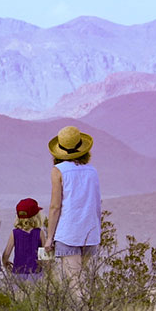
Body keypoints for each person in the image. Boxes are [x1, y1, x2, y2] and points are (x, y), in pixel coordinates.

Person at [45, 126, 101, 298]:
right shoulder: (92, 171)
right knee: (84, 281)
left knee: (73, 283)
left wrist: (49, 237)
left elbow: (55, 207)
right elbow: (97, 203)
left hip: (68, 232)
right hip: (90, 232)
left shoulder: (59, 171)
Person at [2, 198, 46, 281]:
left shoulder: (14, 233)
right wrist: (48, 268)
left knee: (18, 293)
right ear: (36, 216)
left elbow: (6, 253)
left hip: (18, 272)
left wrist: (5, 263)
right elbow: (45, 253)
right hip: (36, 273)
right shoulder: (40, 233)